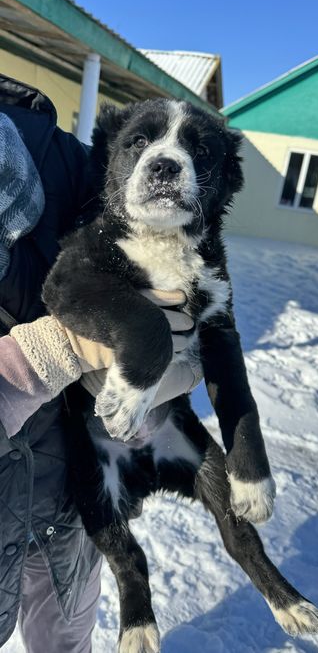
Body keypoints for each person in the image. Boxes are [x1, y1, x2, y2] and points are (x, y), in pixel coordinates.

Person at [0, 76, 200, 653]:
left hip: (73, 501)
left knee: (66, 640)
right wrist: (53, 352)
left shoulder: (68, 160)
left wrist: (168, 360)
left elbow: (184, 278)